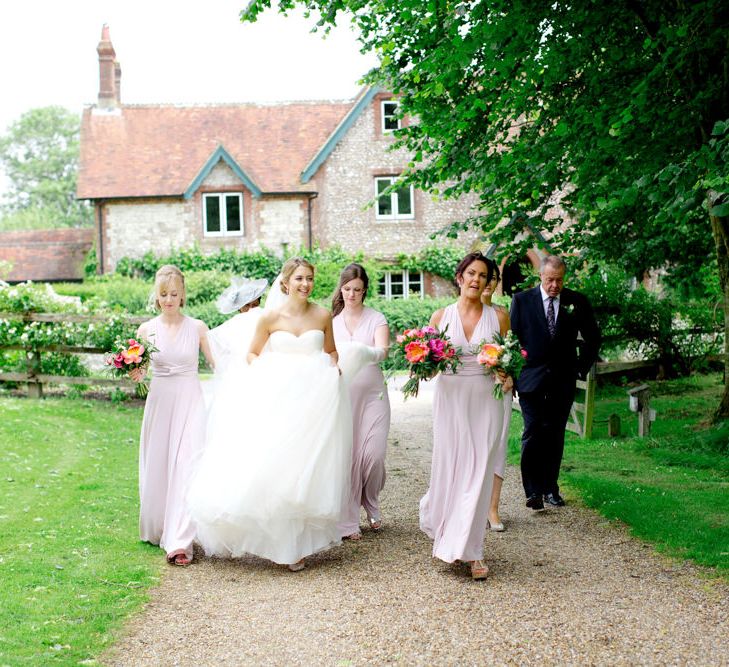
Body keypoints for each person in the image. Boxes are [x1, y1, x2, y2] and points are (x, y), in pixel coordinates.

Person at [188, 257, 356, 572]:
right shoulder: (268, 317)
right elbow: (252, 354)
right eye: (299, 279)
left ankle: (297, 545)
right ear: (286, 283)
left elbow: (331, 352)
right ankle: (278, 542)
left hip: (313, 405)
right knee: (276, 470)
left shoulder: (322, 315)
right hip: (280, 403)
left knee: (305, 472)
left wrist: (334, 367)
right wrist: (269, 373)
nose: (305, 285)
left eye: (309, 279)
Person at [419, 251, 512, 580]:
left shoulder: (499, 317)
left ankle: (473, 552)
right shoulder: (440, 316)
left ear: (489, 282)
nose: (476, 280)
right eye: (471, 273)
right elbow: (427, 368)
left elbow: (506, 360)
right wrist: (422, 365)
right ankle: (447, 531)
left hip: (486, 400)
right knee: (452, 467)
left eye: (483, 275)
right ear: (460, 278)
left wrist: (507, 374)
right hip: (451, 399)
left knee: (480, 470)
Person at [130, 265, 214, 566]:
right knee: (160, 463)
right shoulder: (146, 330)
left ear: (183, 295)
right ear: (156, 295)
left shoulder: (198, 328)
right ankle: (160, 526)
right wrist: (134, 372)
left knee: (186, 464)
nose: (169, 299)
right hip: (161, 402)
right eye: (163, 294)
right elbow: (139, 372)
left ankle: (180, 541)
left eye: (174, 294)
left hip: (190, 400)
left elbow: (218, 365)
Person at [509, 255, 601, 510]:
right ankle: (532, 492)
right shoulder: (521, 301)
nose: (554, 286)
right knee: (533, 431)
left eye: (559, 280)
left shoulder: (577, 301)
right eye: (550, 280)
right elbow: (511, 341)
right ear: (541, 276)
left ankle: (551, 488)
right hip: (530, 380)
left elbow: (594, 337)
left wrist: (580, 369)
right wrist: (513, 377)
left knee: (555, 434)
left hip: (563, 380)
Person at [332, 263, 390, 540]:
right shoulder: (330, 322)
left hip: (373, 393)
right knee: (347, 456)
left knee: (373, 456)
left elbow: (382, 352)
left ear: (364, 290)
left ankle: (372, 499)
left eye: (357, 290)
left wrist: (360, 351)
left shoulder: (376, 318)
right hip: (343, 394)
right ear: (341, 290)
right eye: (347, 289)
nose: (352, 294)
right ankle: (349, 518)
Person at [480, 259, 512, 532]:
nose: (486, 283)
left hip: (497, 389)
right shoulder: (457, 314)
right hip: (469, 392)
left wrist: (510, 373)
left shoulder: (501, 315)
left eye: (492, 278)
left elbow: (510, 350)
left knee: (497, 444)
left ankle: (492, 507)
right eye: (482, 277)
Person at [206, 277, 268, 375]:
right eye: (247, 305)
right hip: (239, 369)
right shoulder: (230, 327)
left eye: (254, 305)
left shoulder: (265, 320)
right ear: (239, 307)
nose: (251, 309)